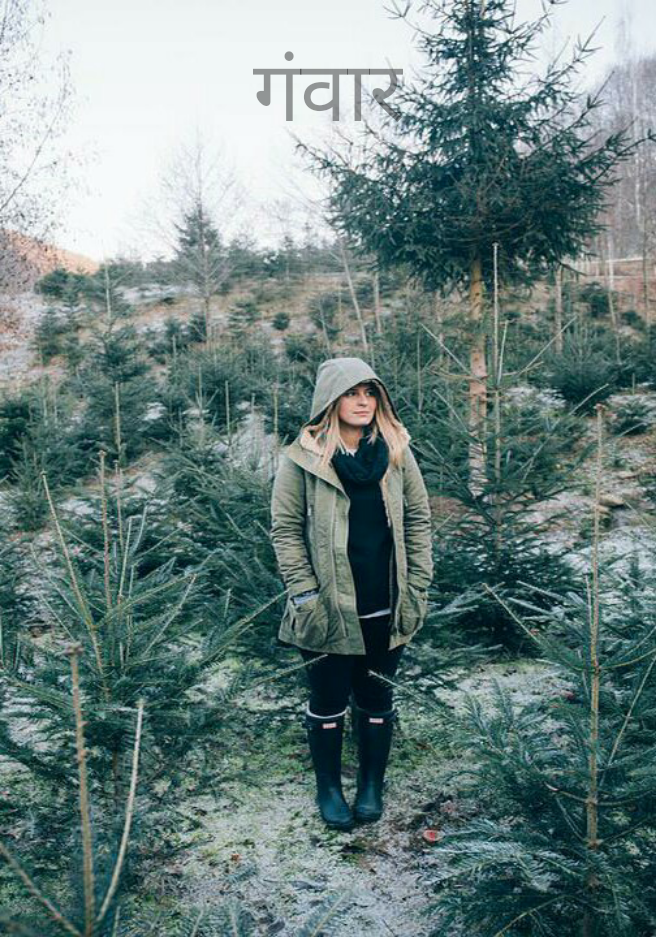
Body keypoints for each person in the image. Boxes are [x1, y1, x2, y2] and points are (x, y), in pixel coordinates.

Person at [270, 357, 433, 830]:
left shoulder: (396, 452)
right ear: (330, 401)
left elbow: (419, 519)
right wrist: (305, 594)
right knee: (328, 700)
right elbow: (285, 530)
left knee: (377, 697)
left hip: (386, 601)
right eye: (351, 393)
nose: (363, 402)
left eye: (370, 393)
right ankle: (328, 789)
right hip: (328, 607)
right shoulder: (302, 459)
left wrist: (418, 584)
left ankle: (370, 785)